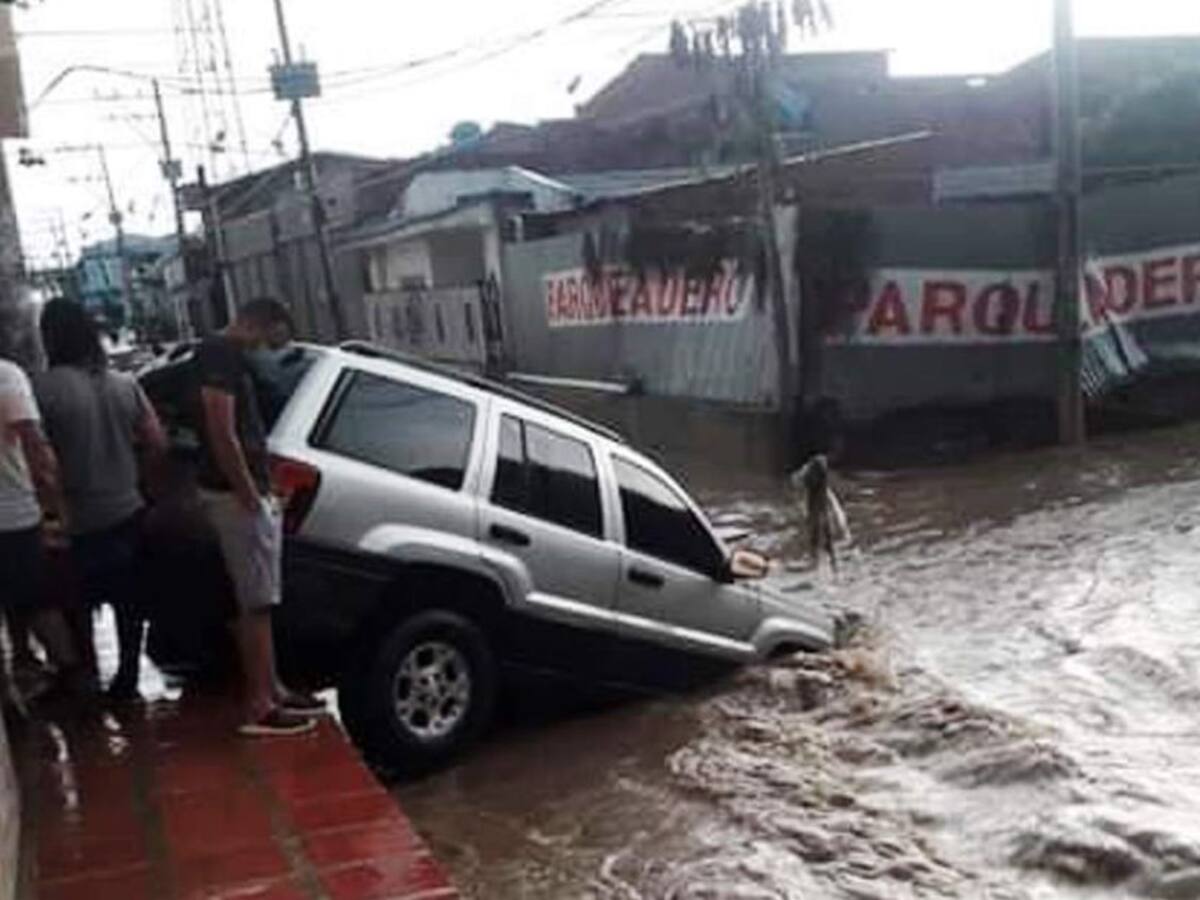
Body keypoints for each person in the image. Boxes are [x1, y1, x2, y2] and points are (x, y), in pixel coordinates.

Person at [193, 298, 323, 736]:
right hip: (235, 495)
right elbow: (221, 429)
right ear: (258, 324)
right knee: (256, 602)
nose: (265, 349)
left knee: (261, 600)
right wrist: (249, 491)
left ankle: (274, 689)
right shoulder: (221, 355)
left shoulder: (225, 355)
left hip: (244, 490)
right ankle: (261, 704)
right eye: (269, 339)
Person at [35, 300, 168, 701]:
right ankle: (127, 675)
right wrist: (139, 480)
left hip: (74, 518)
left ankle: (87, 676)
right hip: (127, 509)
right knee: (130, 603)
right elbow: (157, 442)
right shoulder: (124, 384)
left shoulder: (43, 389)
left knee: (75, 604)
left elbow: (39, 458)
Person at [0, 351, 82, 714]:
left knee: (30, 602)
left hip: (14, 513)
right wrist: (55, 512)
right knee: (38, 601)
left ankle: (14, 685)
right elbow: (35, 444)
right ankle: (71, 677)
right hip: (13, 515)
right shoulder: (6, 376)